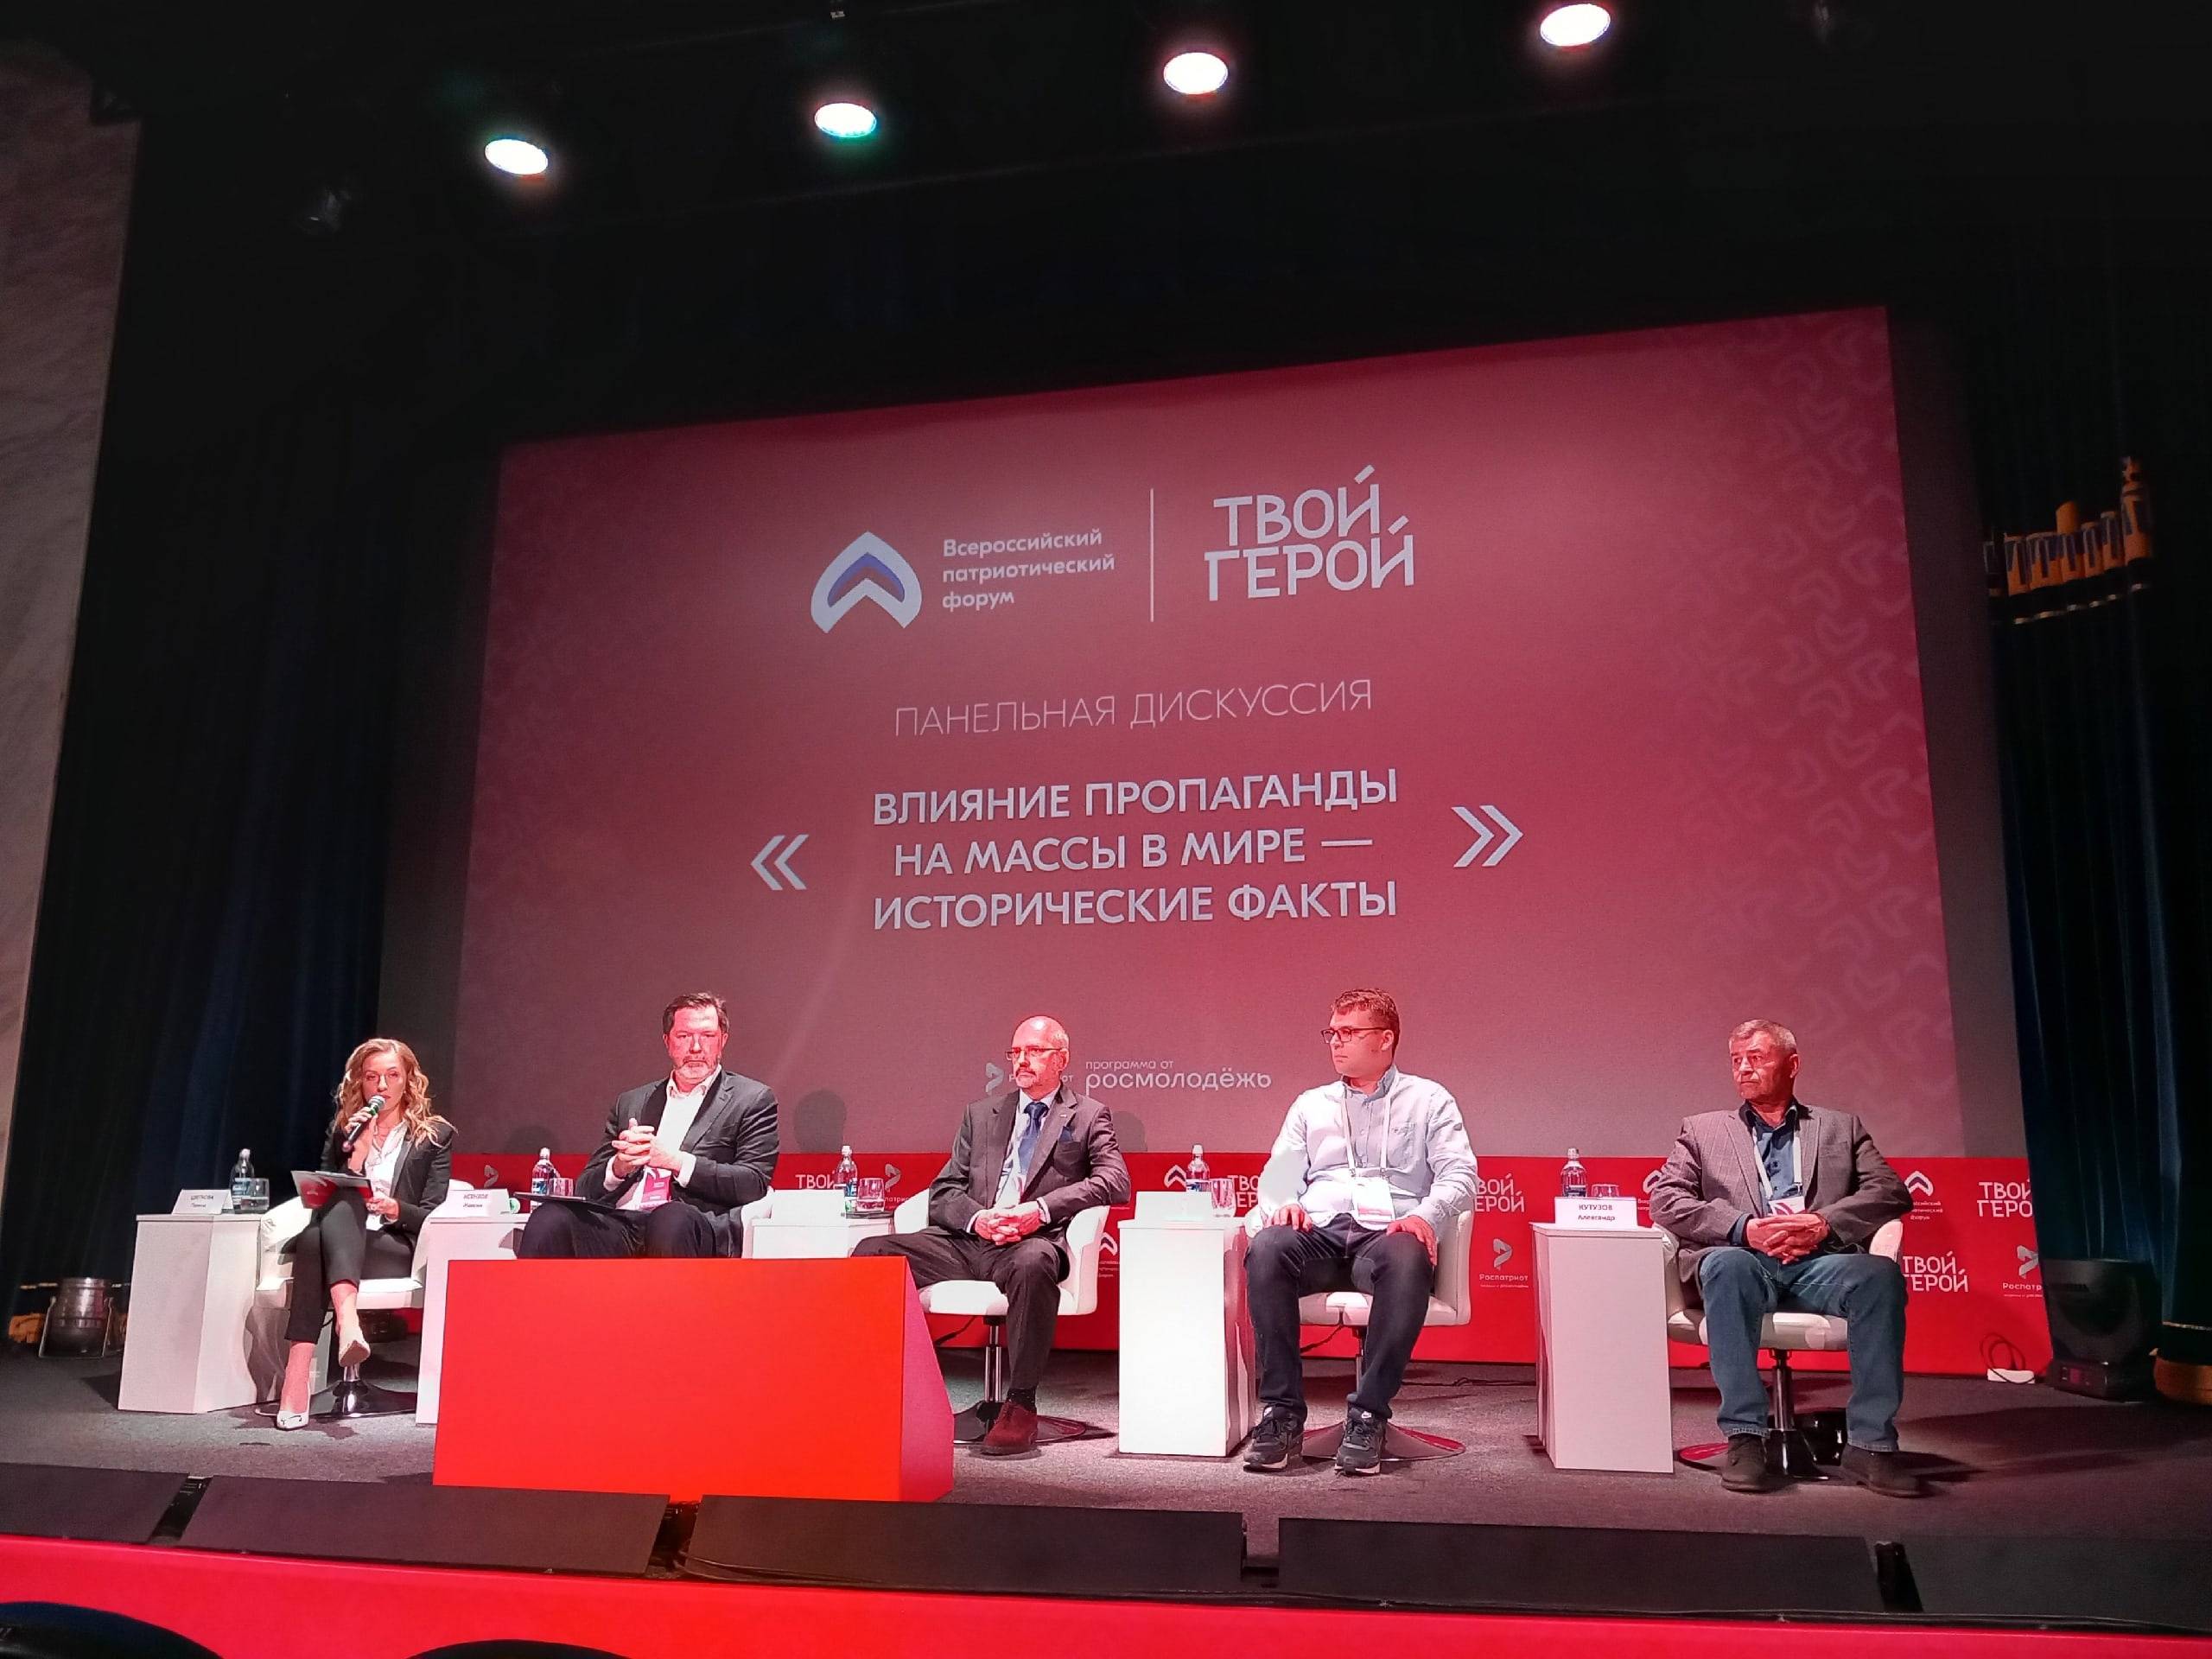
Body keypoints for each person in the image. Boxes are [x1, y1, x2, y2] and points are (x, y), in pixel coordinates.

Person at [1648, 1018, 1923, 1497]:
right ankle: (1745, 1436)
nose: (1744, 1069)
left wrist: (1823, 1224)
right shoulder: (1702, 1130)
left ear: (1792, 1065)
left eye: (1756, 1058)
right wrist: (1744, 1229)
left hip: (1818, 1263)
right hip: (1743, 1259)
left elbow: (1890, 1192)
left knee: (1878, 1276)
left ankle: (1871, 1444)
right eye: (1736, 1060)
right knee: (1726, 1266)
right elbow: (1666, 1200)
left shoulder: (1840, 1127)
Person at [854, 1015, 1128, 1455]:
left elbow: (1115, 1181)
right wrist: (978, 1218)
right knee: (872, 1253)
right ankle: (876, 1392)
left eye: (1034, 1052)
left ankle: (1020, 1405)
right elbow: (944, 1191)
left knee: (1034, 1262)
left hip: (1030, 1242)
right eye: (1015, 1052)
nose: (1022, 1061)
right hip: (969, 1242)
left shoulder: (1088, 1115)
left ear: (1061, 1059)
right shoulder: (981, 1115)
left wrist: (1038, 1211)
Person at [1243, 988, 1476, 1475]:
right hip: (1321, 1231)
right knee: (1268, 1247)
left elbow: (1460, 1174)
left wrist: (1425, 1216)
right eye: (1332, 1032)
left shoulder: (1429, 1100)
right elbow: (1278, 1172)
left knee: (1408, 1254)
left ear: (1385, 1039)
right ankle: (1281, 1413)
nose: (1336, 1042)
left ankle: (1369, 1414)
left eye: (1349, 1032)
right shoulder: (1312, 1104)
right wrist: (1284, 1203)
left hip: (1387, 1231)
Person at [514, 992, 779, 1260]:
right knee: (550, 1218)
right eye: (684, 1036)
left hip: (688, 1224)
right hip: (622, 1224)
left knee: (669, 1220)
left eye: (707, 1036)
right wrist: (618, 1167)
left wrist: (676, 1162)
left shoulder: (751, 1099)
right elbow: (586, 1188)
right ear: (667, 1042)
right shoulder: (633, 1102)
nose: (696, 1047)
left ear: (723, 1041)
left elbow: (753, 1182)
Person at [277, 1038, 454, 1427]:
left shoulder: (434, 1135)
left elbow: (432, 1214)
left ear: (408, 1080)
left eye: (392, 1076)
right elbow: (322, 1197)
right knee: (335, 1209)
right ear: (361, 1082)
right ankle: (345, 1325)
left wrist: (395, 1208)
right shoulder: (345, 1129)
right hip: (339, 1239)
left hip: (394, 1243)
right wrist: (354, 1160)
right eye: (372, 1077)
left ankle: (299, 1371)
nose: (382, 1086)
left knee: (314, 1241)